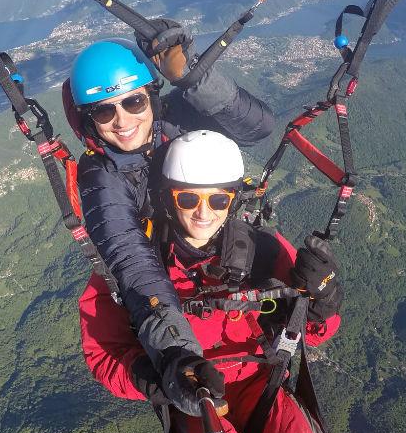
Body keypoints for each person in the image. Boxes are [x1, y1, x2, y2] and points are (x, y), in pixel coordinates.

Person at [79, 130, 343, 433]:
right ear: (166, 197)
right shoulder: (132, 270)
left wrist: (321, 302)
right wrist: (159, 378)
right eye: (188, 198)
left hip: (258, 384)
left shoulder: (262, 250)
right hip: (195, 393)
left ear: (233, 199)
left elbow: (312, 329)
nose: (204, 212)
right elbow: (102, 355)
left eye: (218, 198)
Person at [62, 22, 274, 411]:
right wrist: (178, 353)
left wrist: (195, 78)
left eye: (133, 102)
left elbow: (259, 127)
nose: (122, 121)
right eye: (104, 110)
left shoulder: (177, 119)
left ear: (151, 97)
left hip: (210, 237)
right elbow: (130, 256)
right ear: (88, 118)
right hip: (164, 261)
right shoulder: (100, 173)